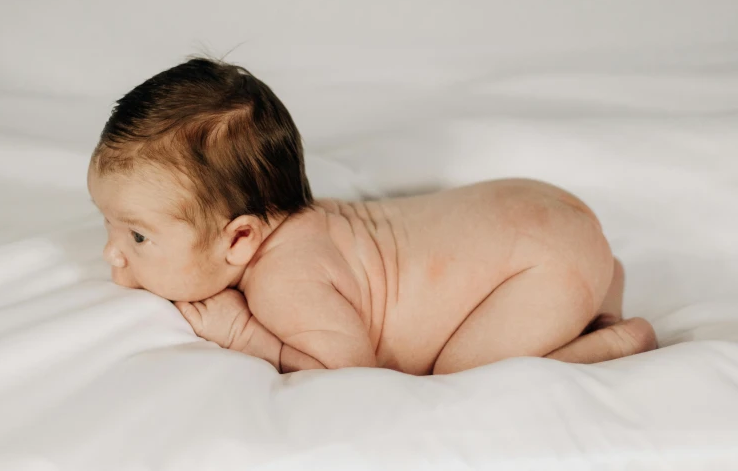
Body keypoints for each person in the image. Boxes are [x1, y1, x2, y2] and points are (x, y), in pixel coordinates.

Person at [87, 57, 657, 375]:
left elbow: (346, 371)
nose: (113, 252)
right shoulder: (313, 223)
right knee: (572, 262)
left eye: (138, 235)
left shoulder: (284, 281)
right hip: (536, 208)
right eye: (110, 224)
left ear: (240, 238)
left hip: (541, 266)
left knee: (466, 376)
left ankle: (605, 345)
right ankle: (602, 284)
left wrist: (243, 333)